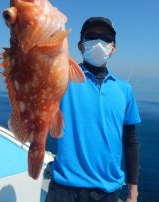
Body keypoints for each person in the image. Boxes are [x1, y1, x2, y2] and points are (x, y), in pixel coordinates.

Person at [46, 17, 141, 202]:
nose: (99, 41)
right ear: (80, 45)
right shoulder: (61, 80)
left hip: (107, 190)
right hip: (64, 188)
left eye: (106, 37)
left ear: (113, 48)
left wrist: (133, 192)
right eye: (91, 36)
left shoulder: (124, 90)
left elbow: (130, 141)